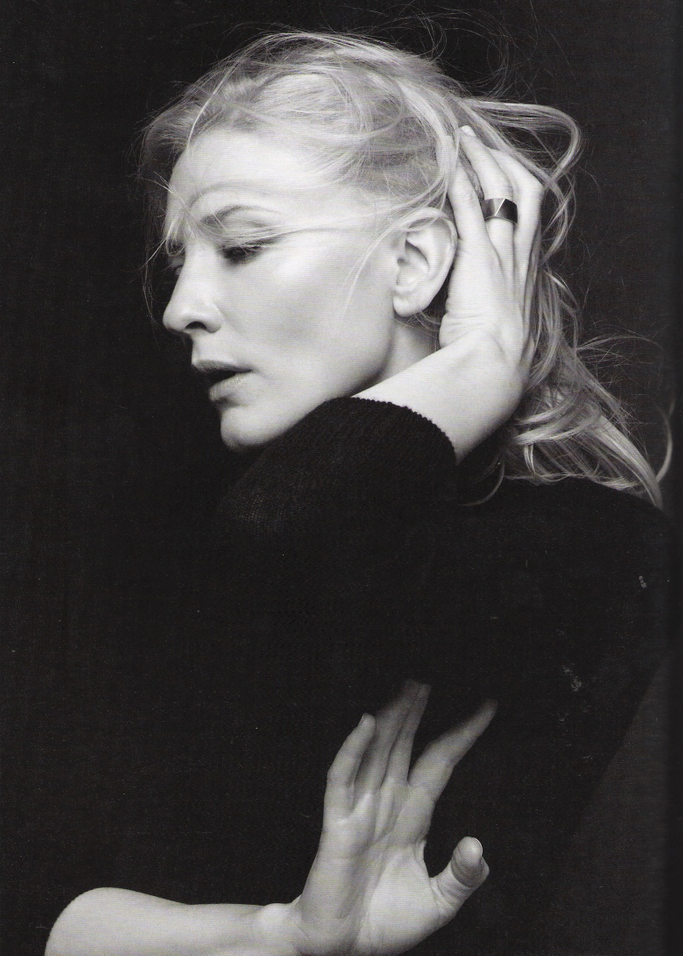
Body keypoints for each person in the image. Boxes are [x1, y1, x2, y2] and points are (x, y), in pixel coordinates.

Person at [45, 31, 670, 956]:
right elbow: (41, 904)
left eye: (241, 246)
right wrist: (277, 939)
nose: (180, 307)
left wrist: (482, 359)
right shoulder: (172, 519)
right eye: (180, 262)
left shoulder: (588, 545)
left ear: (414, 263)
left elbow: (289, 532)